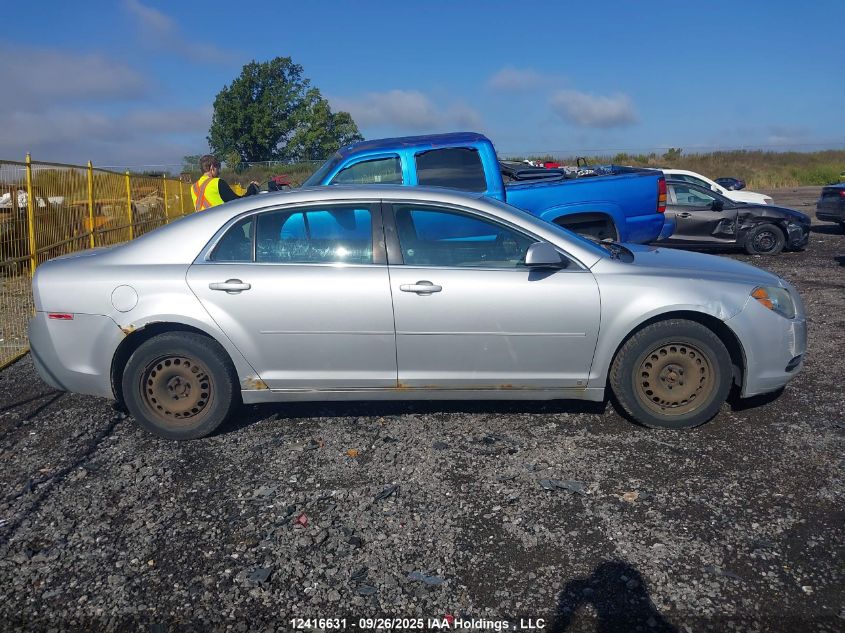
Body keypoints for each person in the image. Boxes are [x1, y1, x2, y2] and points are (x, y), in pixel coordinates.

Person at [191, 154, 260, 211]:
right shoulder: (217, 182)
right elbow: (237, 202)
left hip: (202, 225)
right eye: (218, 168)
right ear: (212, 167)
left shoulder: (193, 187)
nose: (219, 172)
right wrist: (252, 188)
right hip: (220, 223)